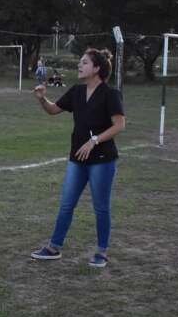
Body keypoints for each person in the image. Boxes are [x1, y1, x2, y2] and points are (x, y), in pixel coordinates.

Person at [30, 48, 125, 268]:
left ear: (97, 68)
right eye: (80, 62)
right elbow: (53, 110)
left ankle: (101, 252)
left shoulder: (110, 94)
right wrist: (42, 99)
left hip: (102, 159)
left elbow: (119, 125)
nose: (79, 66)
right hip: (77, 159)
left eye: (84, 63)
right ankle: (53, 248)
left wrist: (94, 141)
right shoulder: (76, 91)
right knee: (66, 204)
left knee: (101, 207)